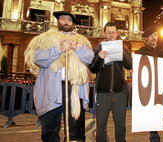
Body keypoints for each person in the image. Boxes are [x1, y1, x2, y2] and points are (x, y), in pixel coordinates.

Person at [24, 11, 94, 142]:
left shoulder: (81, 41)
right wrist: (59, 49)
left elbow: (89, 58)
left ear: (73, 23)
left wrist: (75, 48)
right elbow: (38, 59)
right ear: (58, 21)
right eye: (62, 19)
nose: (66, 22)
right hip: (52, 89)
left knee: (76, 129)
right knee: (50, 128)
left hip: (75, 89)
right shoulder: (44, 39)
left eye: (69, 20)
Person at [89, 22, 132, 142]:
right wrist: (98, 57)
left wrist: (122, 52)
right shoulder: (97, 48)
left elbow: (129, 65)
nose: (111, 35)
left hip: (119, 93)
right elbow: (92, 68)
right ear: (104, 33)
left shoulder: (123, 48)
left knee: (120, 125)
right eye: (108, 32)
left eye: (113, 32)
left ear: (117, 33)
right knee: (101, 125)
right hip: (103, 93)